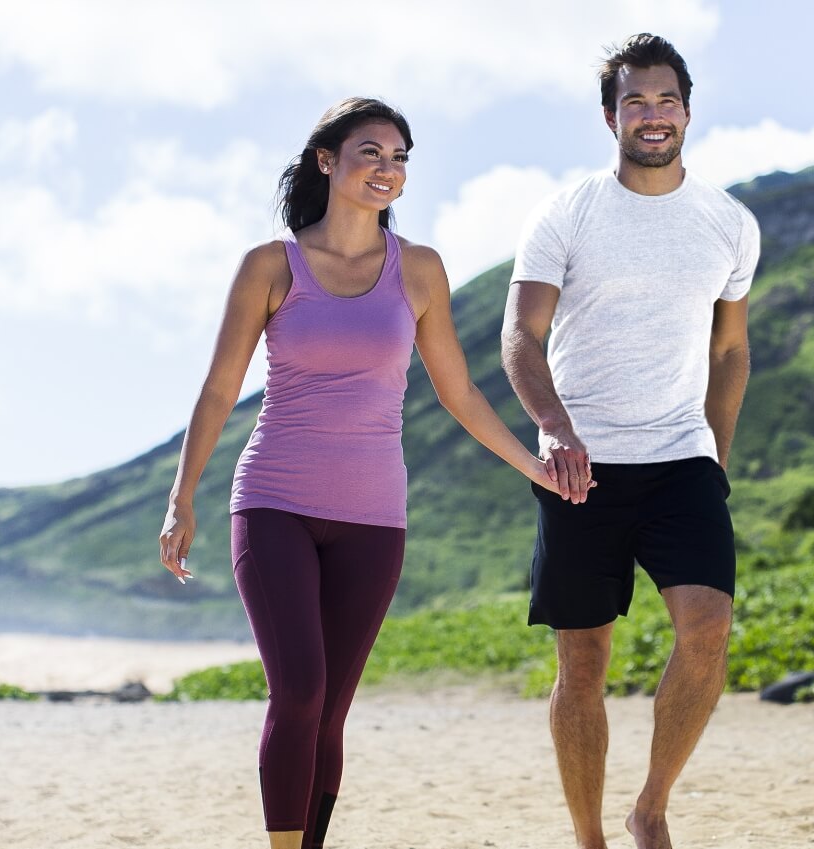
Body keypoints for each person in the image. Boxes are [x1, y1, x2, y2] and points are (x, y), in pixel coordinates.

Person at [157, 97, 560, 849]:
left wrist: (532, 466)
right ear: (327, 161)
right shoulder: (272, 266)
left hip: (375, 518)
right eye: (371, 152)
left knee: (331, 708)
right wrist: (182, 497)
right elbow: (218, 389)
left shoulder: (421, 271)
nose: (387, 168)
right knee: (300, 688)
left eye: (400, 157)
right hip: (275, 501)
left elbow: (460, 392)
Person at [501, 33, 759, 849]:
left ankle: (650, 805)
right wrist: (557, 430)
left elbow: (730, 348)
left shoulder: (728, 222)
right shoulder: (567, 213)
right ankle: (589, 837)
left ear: (688, 110)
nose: (653, 116)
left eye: (666, 100)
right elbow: (520, 337)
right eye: (636, 102)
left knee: (708, 625)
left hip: (682, 458)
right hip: (581, 466)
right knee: (583, 667)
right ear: (610, 115)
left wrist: (716, 454)